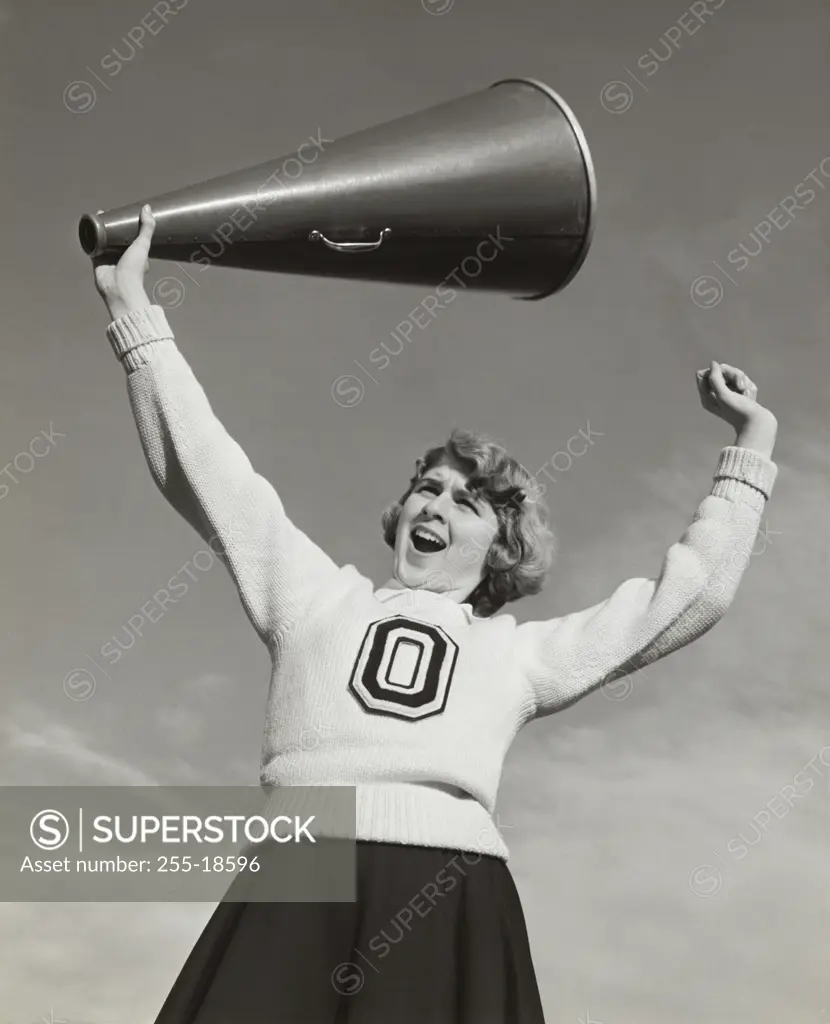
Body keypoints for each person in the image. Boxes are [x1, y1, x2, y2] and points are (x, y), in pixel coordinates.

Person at [92, 205, 778, 1024]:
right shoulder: (315, 595)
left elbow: (688, 595)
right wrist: (134, 309)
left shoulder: (518, 656)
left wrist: (752, 444)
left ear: (501, 545)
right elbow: (203, 469)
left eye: (470, 500)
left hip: (450, 889)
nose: (438, 502)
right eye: (428, 485)